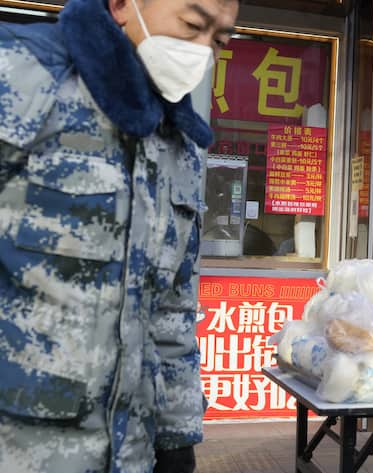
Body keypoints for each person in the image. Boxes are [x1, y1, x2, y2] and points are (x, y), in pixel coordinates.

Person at [0, 1, 239, 472]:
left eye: (218, 39)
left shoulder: (181, 144)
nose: (200, 50)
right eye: (191, 25)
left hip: (129, 454)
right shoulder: (20, 73)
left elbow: (171, 312)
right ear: (123, 4)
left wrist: (176, 441)